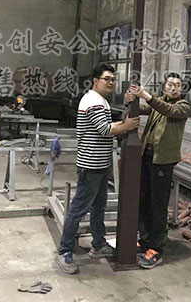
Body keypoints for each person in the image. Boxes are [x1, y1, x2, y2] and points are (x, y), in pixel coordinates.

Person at [56, 63, 140, 274]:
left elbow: (106, 126)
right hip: (91, 165)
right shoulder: (93, 101)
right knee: (78, 209)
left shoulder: (101, 100)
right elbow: (104, 129)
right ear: (95, 81)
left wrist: (122, 124)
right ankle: (64, 252)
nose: (110, 82)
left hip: (101, 165)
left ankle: (98, 244)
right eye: (106, 79)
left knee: (98, 206)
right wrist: (126, 126)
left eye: (113, 79)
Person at [124, 72, 190, 269]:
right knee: (144, 200)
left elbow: (167, 109)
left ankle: (156, 248)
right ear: (164, 87)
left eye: (177, 85)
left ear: (181, 89)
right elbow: (142, 108)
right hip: (147, 157)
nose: (173, 87)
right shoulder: (158, 103)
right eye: (170, 84)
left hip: (163, 162)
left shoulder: (183, 106)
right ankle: (145, 240)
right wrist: (130, 99)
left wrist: (145, 95)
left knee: (158, 204)